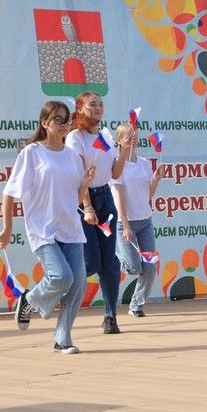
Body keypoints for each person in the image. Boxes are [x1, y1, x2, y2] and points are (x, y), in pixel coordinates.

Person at [0, 101, 95, 354]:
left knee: (77, 286)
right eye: (58, 120)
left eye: (66, 120)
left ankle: (62, 339)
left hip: (71, 229)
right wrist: (7, 228)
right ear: (45, 123)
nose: (64, 125)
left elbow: (73, 199)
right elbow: (9, 193)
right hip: (43, 230)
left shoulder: (74, 157)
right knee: (61, 277)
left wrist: (84, 185)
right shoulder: (31, 153)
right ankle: (28, 301)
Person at [66, 92, 131, 334]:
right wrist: (88, 207)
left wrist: (124, 150)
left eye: (101, 104)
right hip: (85, 199)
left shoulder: (104, 135)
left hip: (106, 198)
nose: (98, 108)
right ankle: (58, 283)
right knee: (91, 262)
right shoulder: (75, 138)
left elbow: (115, 173)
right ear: (81, 109)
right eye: (92, 104)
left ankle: (110, 316)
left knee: (110, 264)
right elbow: (78, 176)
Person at [110, 124, 163, 317]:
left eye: (135, 136)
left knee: (149, 267)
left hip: (145, 221)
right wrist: (125, 225)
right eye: (128, 137)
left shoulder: (144, 163)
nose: (133, 139)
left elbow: (147, 194)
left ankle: (137, 305)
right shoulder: (117, 164)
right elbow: (119, 198)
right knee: (133, 267)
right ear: (119, 141)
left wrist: (155, 181)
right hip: (126, 222)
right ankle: (116, 254)